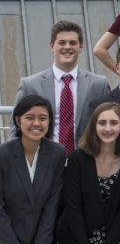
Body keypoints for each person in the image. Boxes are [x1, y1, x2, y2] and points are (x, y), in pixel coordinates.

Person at [56, 103, 120, 244]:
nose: (107, 128)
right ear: (94, 126)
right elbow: (73, 207)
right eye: (102, 123)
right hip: (76, 238)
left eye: (114, 123)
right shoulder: (77, 158)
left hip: (112, 241)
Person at [16, 20, 109, 155]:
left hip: (85, 162)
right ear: (52, 46)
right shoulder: (30, 85)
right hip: (43, 161)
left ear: (81, 47)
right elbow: (16, 129)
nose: (67, 47)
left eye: (73, 43)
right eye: (62, 42)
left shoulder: (99, 85)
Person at [0, 95, 66, 244]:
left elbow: (52, 205)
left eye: (43, 118)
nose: (36, 123)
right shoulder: (3, 154)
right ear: (17, 120)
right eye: (29, 117)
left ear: (49, 121)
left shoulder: (57, 153)